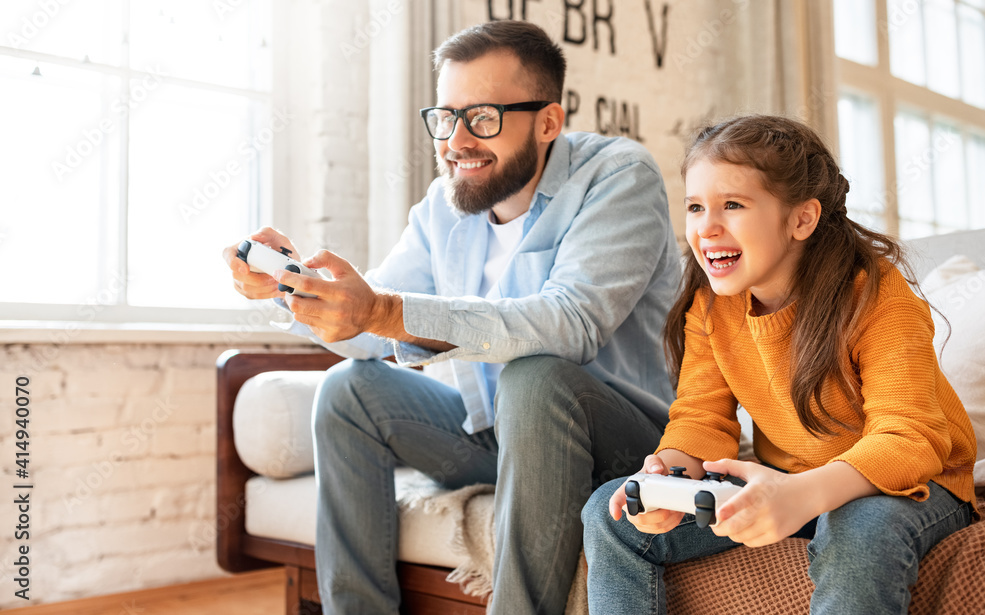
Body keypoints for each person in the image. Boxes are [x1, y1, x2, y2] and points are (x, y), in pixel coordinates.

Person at [223, 20, 682, 614]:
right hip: (496, 433)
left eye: (483, 117)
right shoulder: (446, 205)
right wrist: (296, 291)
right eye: (445, 117)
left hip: (621, 442)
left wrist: (383, 311)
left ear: (547, 122)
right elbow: (371, 321)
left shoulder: (619, 176)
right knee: (348, 390)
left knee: (535, 374)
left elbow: (573, 324)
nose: (456, 140)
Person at [582, 114, 979, 614]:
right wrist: (667, 478)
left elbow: (911, 439)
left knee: (856, 525)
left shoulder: (877, 297)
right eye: (695, 207)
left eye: (732, 205)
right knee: (608, 512)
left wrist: (803, 495)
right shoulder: (711, 306)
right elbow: (701, 418)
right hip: (788, 483)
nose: (706, 227)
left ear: (801, 219)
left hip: (911, 485)